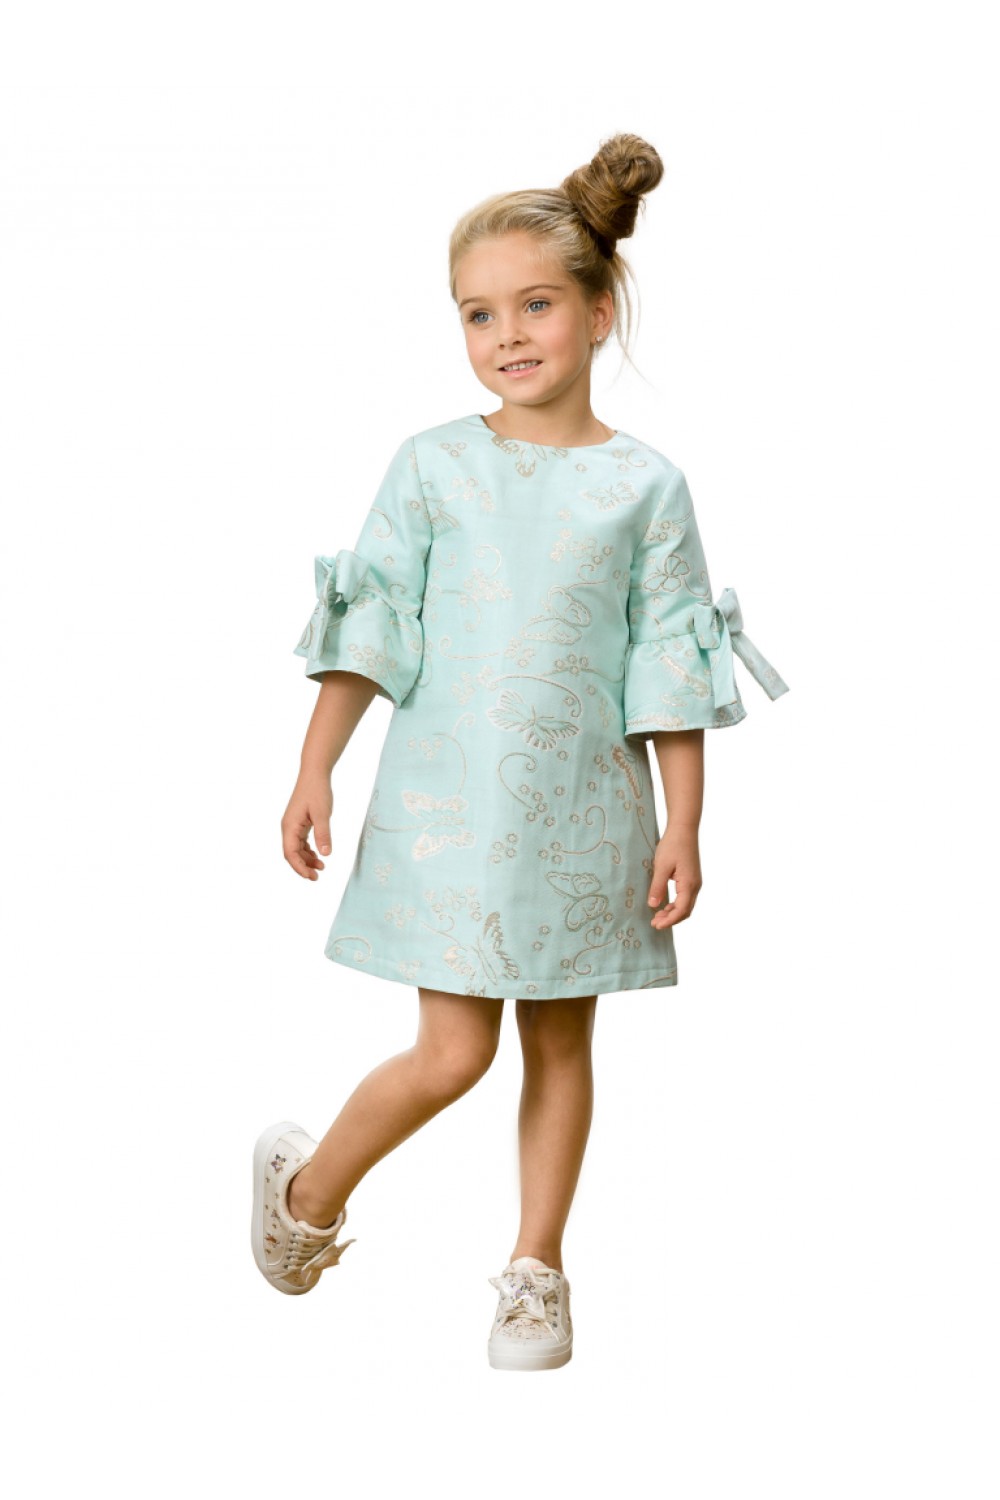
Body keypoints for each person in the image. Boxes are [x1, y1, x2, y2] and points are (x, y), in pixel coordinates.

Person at [251, 131, 789, 1371]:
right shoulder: (433, 465)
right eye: (478, 313)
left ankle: (536, 1271)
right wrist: (314, 763)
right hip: (449, 817)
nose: (507, 334)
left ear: (598, 313)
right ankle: (307, 1194)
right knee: (453, 1052)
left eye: (535, 304)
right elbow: (374, 625)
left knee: (559, 1043)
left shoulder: (646, 487)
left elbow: (668, 667)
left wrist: (684, 822)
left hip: (584, 815)